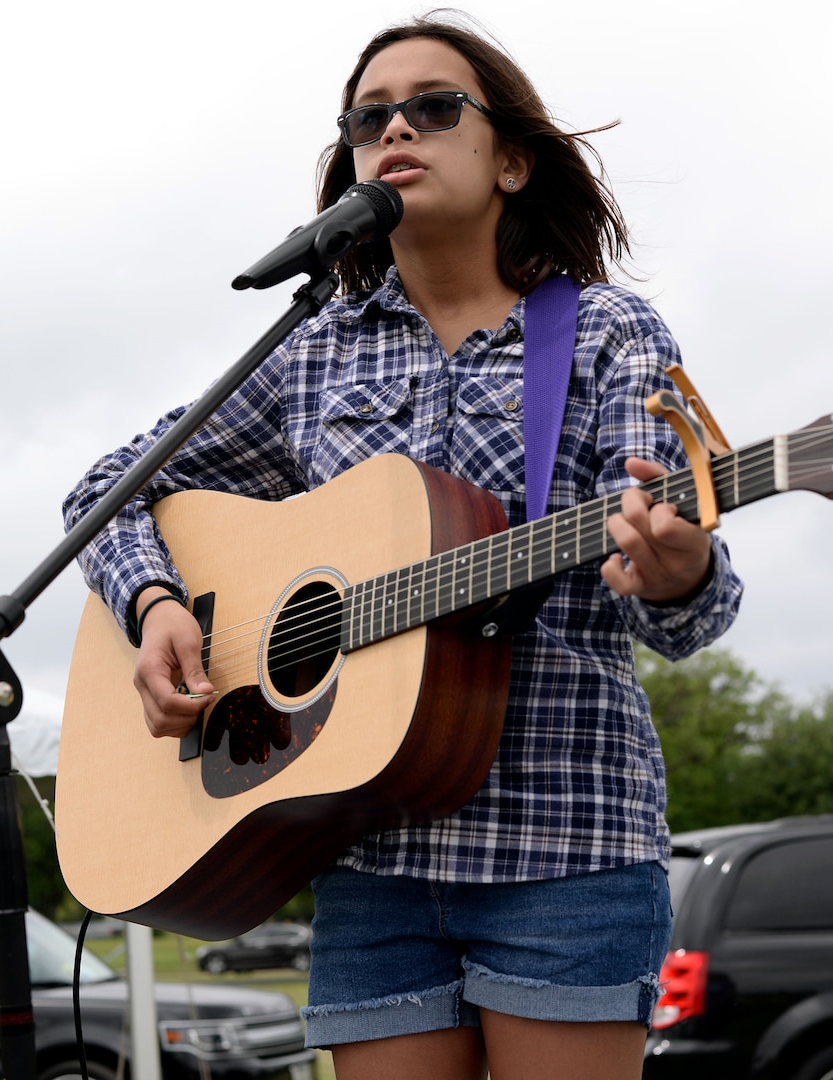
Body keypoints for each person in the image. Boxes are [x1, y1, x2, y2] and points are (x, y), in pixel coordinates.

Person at [63, 12, 743, 1079]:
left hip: (562, 837)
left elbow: (686, 608)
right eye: (368, 118)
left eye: (431, 107)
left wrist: (677, 568)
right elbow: (107, 491)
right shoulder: (310, 352)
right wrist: (154, 608)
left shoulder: (607, 332)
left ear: (512, 159)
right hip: (364, 845)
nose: (395, 131)